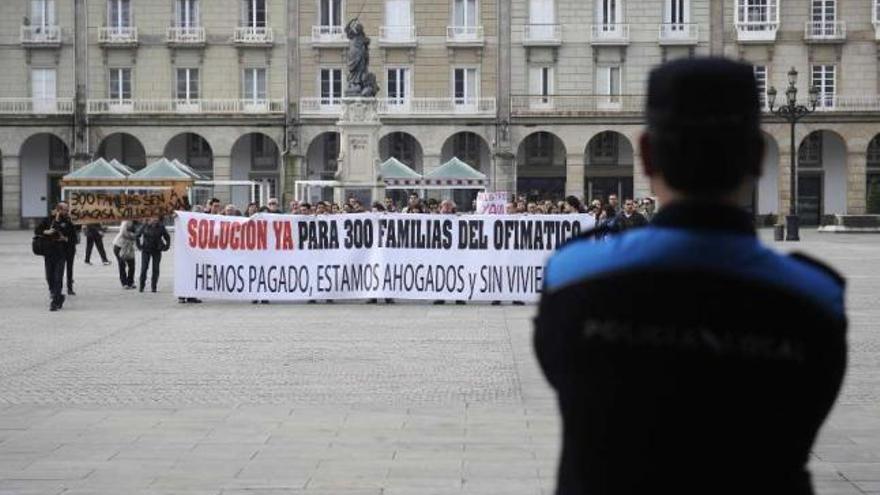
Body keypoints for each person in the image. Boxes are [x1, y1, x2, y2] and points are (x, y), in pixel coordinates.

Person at [535, 58, 847, 495]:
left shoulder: (574, 278)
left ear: (645, 154)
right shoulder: (814, 298)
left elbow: (560, 370)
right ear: (758, 156)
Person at [34, 202, 77, 311]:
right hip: (48, 252)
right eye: (64, 209)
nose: (67, 212)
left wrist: (65, 239)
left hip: (61, 253)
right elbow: (37, 230)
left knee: (58, 278)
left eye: (67, 210)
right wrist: (46, 231)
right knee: (49, 277)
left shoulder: (67, 222)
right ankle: (57, 295)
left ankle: (55, 302)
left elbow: (74, 238)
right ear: (58, 210)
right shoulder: (48, 219)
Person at [135, 216, 170, 293]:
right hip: (146, 250)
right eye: (153, 218)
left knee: (156, 269)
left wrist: (166, 246)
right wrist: (139, 246)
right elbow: (137, 236)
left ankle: (154, 287)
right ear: (149, 219)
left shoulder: (161, 226)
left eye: (156, 218)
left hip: (157, 250)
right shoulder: (145, 226)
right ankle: (141, 286)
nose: (155, 220)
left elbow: (167, 237)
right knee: (144, 268)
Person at [113, 220, 138, 289]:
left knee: (132, 265)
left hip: (129, 247)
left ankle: (130, 282)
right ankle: (124, 283)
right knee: (122, 264)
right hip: (120, 246)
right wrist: (133, 235)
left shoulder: (139, 222)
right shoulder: (126, 221)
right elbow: (123, 233)